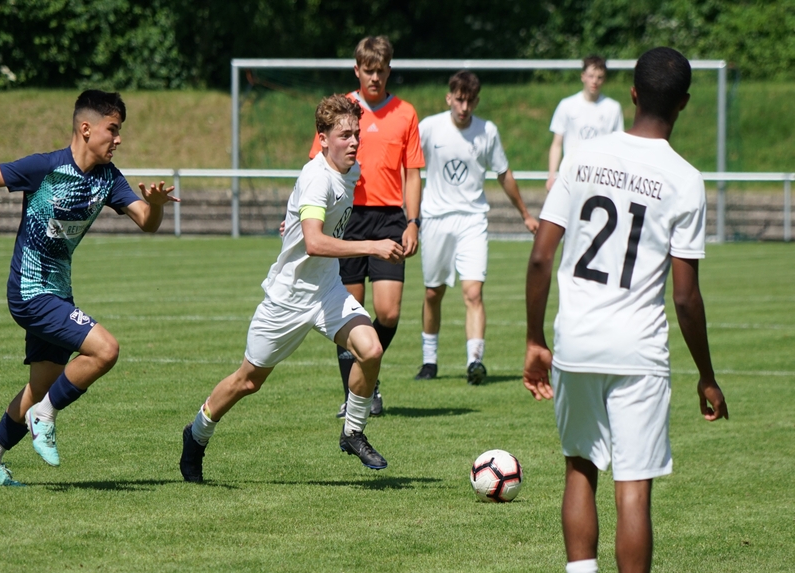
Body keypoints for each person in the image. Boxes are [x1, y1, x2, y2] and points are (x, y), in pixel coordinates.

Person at [523, 47, 728, 573]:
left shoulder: (584, 155)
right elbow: (685, 297)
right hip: (639, 350)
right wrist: (706, 374)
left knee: (580, 468)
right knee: (632, 487)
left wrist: (534, 339)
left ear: (632, 94)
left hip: (577, 342)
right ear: (684, 103)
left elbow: (541, 257)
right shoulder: (686, 179)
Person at [0, 90, 178, 487]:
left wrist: (157, 205)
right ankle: (45, 416)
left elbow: (146, 222)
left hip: (59, 293)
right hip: (30, 291)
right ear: (86, 129)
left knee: (41, 387)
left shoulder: (108, 179)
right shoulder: (46, 167)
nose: (118, 139)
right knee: (105, 349)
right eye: (113, 129)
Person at [180, 95, 402, 482]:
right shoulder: (318, 178)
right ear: (323, 139)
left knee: (371, 350)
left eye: (356, 134)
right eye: (344, 135)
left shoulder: (350, 169)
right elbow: (314, 242)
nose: (354, 142)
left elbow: (309, 217)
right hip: (289, 299)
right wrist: (372, 245)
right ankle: (196, 434)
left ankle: (352, 431)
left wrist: (292, 220)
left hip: (327, 290)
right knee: (248, 381)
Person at [309, 36, 425, 418]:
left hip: (390, 218)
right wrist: (303, 215)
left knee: (388, 313)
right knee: (349, 312)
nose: (375, 77)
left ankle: (366, 372)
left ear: (389, 70)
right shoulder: (343, 110)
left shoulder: (406, 113)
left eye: (381, 70)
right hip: (347, 218)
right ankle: (356, 395)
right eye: (368, 70)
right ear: (356, 70)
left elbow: (413, 173)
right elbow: (316, 165)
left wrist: (413, 221)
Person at [415, 71, 538, 384]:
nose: (464, 107)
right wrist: (408, 215)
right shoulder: (429, 128)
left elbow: (503, 174)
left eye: (470, 101)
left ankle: (475, 362)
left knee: (473, 293)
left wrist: (525, 213)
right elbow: (409, 168)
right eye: (459, 100)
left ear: (477, 101)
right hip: (436, 219)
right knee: (433, 292)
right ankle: (429, 361)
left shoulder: (487, 131)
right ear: (449, 98)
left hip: (472, 220)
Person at [546, 55, 624, 192]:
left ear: (604, 79)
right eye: (591, 76)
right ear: (583, 76)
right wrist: (551, 175)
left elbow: (618, 147)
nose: (595, 81)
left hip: (600, 178)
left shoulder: (613, 108)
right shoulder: (567, 105)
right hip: (571, 175)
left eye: (599, 77)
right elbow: (557, 143)